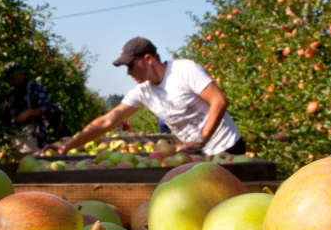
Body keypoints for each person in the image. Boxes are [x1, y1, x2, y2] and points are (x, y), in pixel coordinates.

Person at [43, 37, 245, 156]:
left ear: (147, 59)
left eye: (130, 65)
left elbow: (219, 101)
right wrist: (67, 146)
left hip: (228, 149)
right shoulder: (143, 92)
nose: (128, 73)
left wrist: (202, 139)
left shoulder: (184, 70)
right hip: (198, 154)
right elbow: (108, 120)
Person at [3, 61, 68, 150]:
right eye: (9, 80)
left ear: (21, 74)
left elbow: (49, 107)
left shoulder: (34, 87)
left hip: (38, 137)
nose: (11, 82)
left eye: (13, 79)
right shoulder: (11, 94)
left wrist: (29, 113)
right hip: (20, 139)